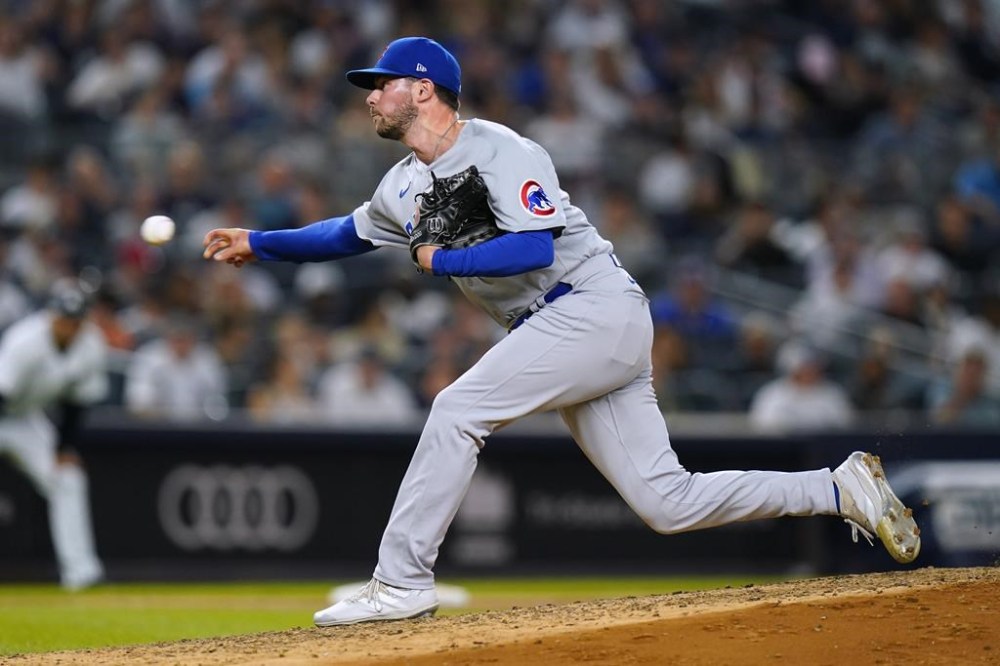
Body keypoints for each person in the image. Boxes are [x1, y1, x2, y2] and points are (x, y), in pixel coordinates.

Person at [203, 37, 921, 627]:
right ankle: (838, 488)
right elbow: (343, 234)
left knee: (457, 408)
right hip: (559, 329)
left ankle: (401, 583)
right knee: (666, 503)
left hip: (592, 308)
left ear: (423, 89)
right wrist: (259, 242)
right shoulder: (401, 185)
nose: (369, 95)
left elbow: (534, 247)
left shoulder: (501, 151)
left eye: (383, 83)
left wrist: (443, 257)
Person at [0, 279, 108, 589]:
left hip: (24, 420)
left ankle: (81, 573)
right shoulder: (25, 341)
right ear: (50, 314)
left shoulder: (91, 344)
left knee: (69, 478)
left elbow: (78, 404)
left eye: (75, 320)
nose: (68, 326)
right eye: (63, 318)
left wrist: (64, 449)